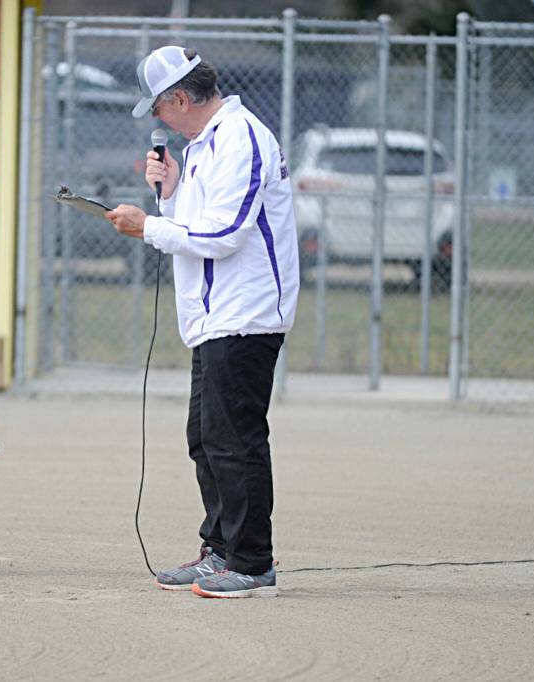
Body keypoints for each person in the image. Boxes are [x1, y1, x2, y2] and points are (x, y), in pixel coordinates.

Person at [106, 46, 300, 598]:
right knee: (207, 437)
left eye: (159, 109)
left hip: (247, 313)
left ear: (180, 99)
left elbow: (224, 235)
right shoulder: (206, 146)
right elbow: (194, 223)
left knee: (235, 439)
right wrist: (168, 194)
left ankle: (253, 563)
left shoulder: (241, 140)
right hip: (214, 317)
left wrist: (147, 228)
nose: (158, 120)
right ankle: (220, 551)